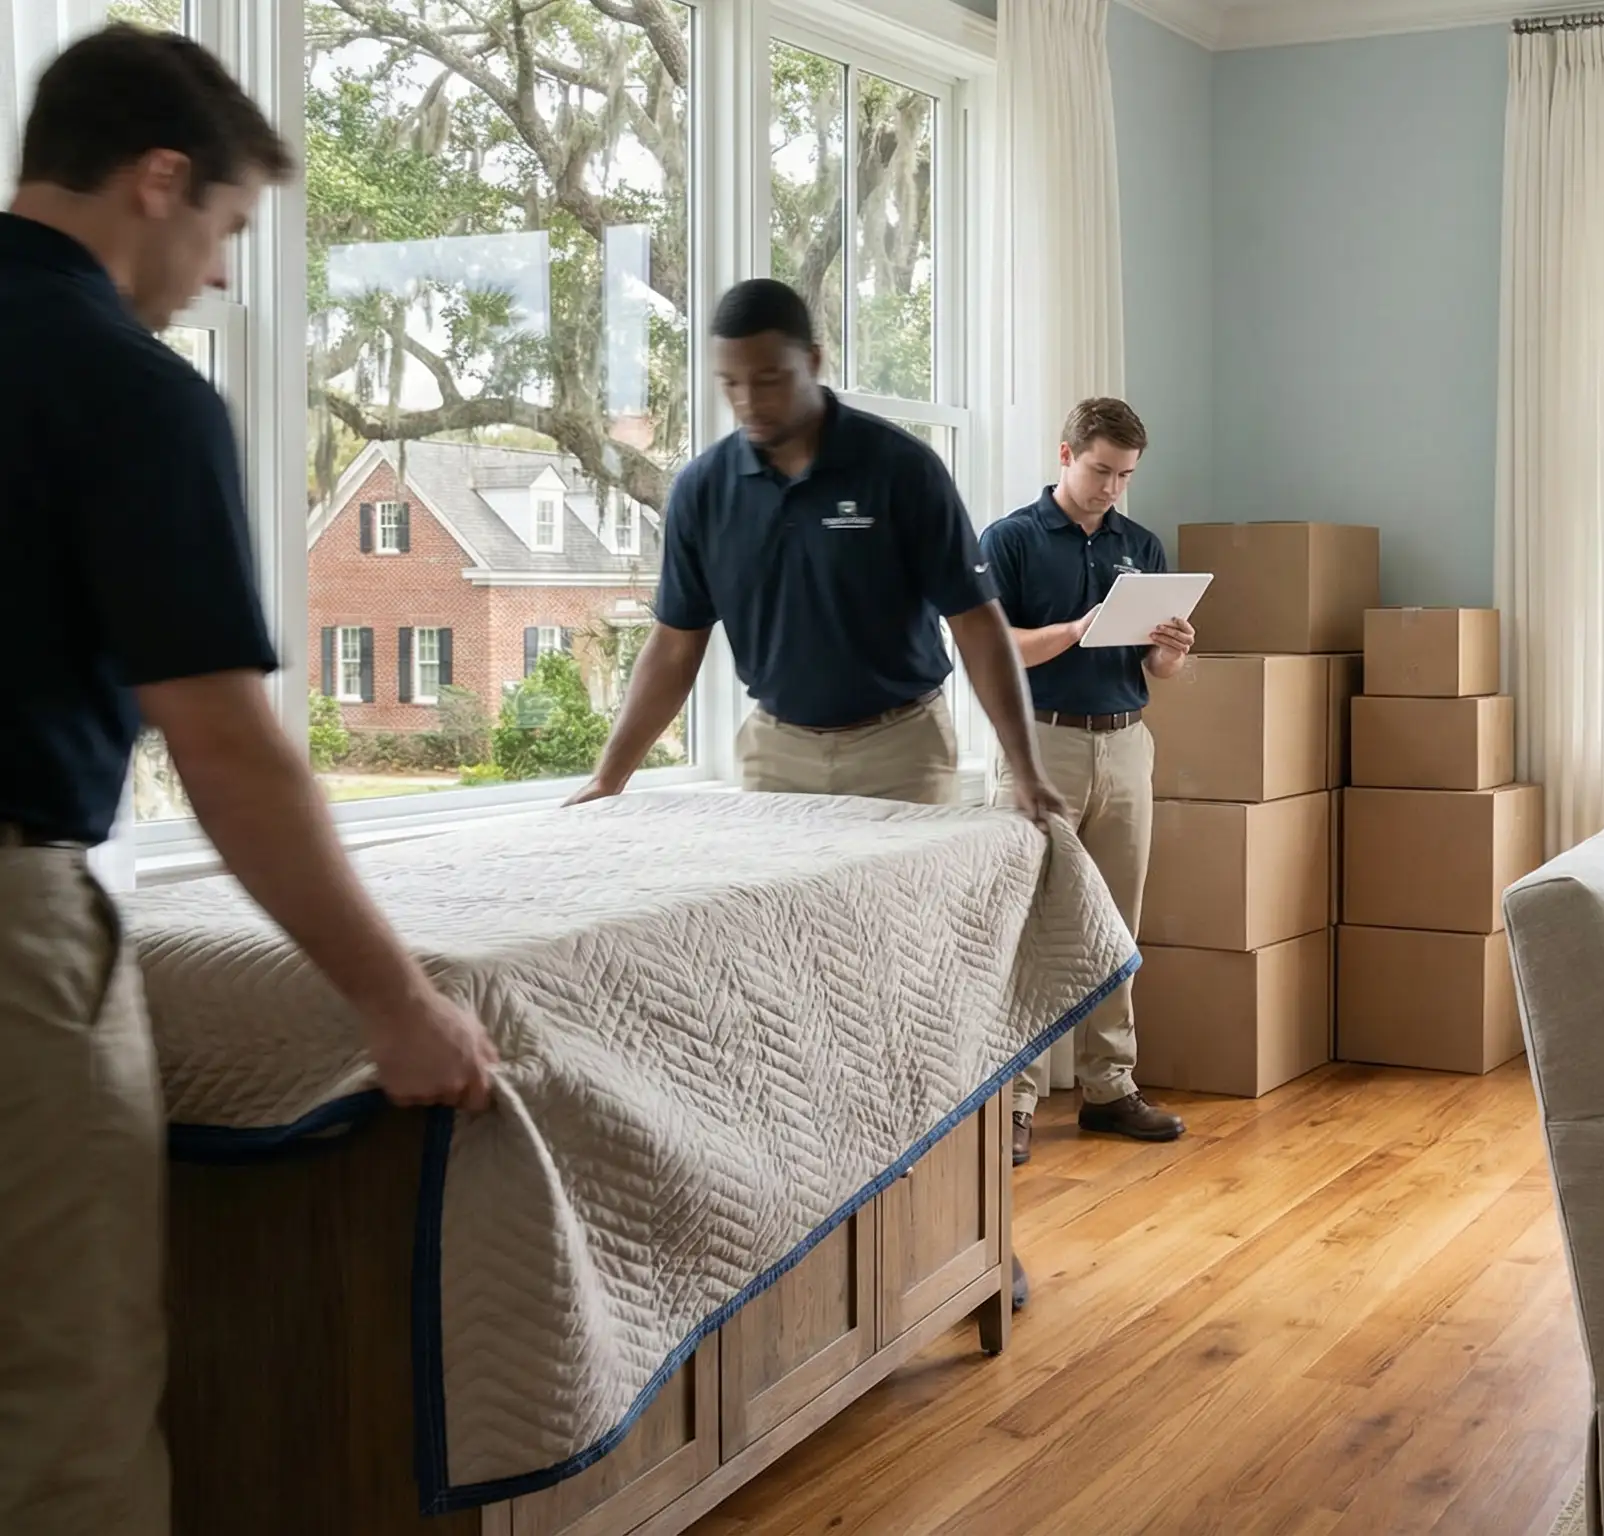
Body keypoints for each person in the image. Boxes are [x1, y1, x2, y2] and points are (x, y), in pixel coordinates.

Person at [0, 27, 502, 1535]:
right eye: (222, 229)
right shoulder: (124, 386)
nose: (218, 276)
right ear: (159, 181)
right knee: (57, 1401)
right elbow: (223, 745)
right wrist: (394, 1001)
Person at [571, 277, 1063, 1308]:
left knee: (926, 1002)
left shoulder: (897, 469)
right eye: (730, 383)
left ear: (816, 361)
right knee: (790, 1010)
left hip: (902, 753)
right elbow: (672, 647)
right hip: (775, 762)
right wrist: (609, 779)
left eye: (769, 377)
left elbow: (975, 627)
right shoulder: (706, 489)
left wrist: (1022, 773)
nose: (748, 399)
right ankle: (806, 1252)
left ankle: (974, 1233)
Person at [979, 400, 1191, 1167]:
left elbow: (1156, 670)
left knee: (1114, 923)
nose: (1111, 488)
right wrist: (1077, 627)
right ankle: (1015, 1101)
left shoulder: (1142, 545)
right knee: (1031, 923)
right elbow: (993, 650)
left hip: (1126, 742)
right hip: (1041, 742)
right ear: (1065, 453)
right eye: (1100, 470)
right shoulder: (1010, 540)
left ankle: (1109, 1088)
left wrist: (1172, 650)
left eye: (1125, 476)